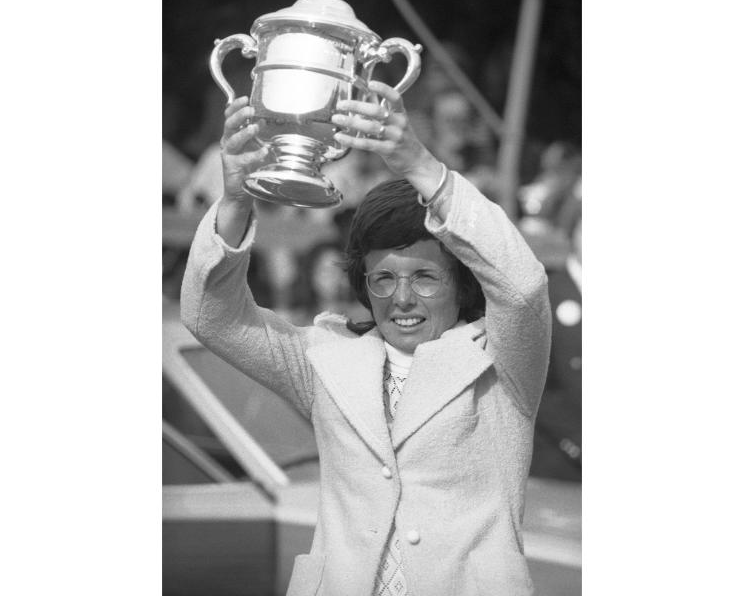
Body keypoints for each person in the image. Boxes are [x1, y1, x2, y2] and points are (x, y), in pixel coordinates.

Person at [180, 80, 552, 596]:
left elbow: (523, 284)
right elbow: (211, 317)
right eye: (383, 278)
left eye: (425, 277)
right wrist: (237, 198)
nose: (402, 298)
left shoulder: (503, 359)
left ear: (461, 282)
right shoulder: (325, 360)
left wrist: (421, 165)